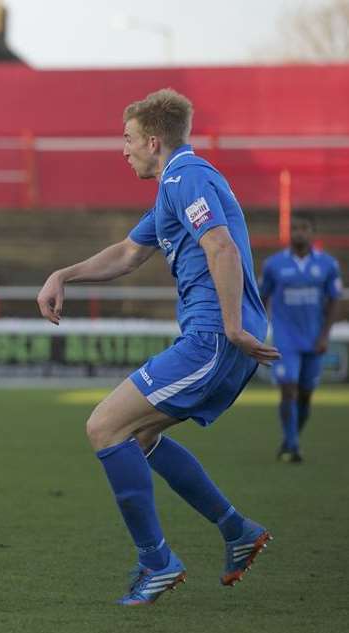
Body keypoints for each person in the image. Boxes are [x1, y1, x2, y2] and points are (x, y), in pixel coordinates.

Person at [37, 89, 280, 606]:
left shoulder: (185, 177)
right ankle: (237, 531)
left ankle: (157, 561)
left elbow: (221, 246)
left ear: (153, 140)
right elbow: (128, 253)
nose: (122, 150)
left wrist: (234, 327)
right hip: (217, 337)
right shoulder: (175, 187)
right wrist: (64, 274)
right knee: (139, 437)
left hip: (213, 338)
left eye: (127, 140)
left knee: (104, 426)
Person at [260, 214, 342, 463]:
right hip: (285, 338)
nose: (299, 233)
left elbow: (334, 300)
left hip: (314, 339)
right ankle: (293, 446)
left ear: (312, 232)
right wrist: (259, 330)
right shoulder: (274, 265)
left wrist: (325, 335)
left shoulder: (328, 264)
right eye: (294, 228)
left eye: (304, 228)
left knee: (305, 394)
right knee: (288, 390)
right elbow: (262, 297)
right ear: (289, 233)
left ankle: (290, 439)